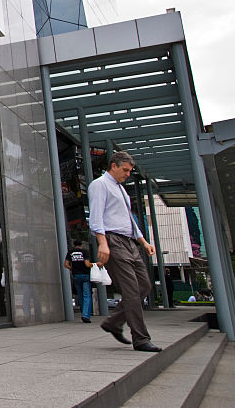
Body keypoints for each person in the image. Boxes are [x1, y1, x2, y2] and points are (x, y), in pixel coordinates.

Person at [89, 151, 162, 352]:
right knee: (131, 291)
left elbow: (129, 219)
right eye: (125, 170)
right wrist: (102, 243)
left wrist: (143, 241)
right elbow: (95, 216)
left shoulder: (121, 190)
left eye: (130, 171)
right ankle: (141, 338)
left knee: (144, 286)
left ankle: (113, 322)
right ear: (113, 165)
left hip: (130, 242)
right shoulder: (99, 185)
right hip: (113, 240)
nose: (128, 174)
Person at [65, 240, 93, 323]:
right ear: (81, 245)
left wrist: (72, 269)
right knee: (87, 295)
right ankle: (85, 315)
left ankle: (82, 312)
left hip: (76, 275)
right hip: (85, 275)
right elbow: (87, 264)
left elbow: (66, 264)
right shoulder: (85, 252)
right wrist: (94, 265)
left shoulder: (70, 252)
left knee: (80, 296)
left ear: (74, 245)